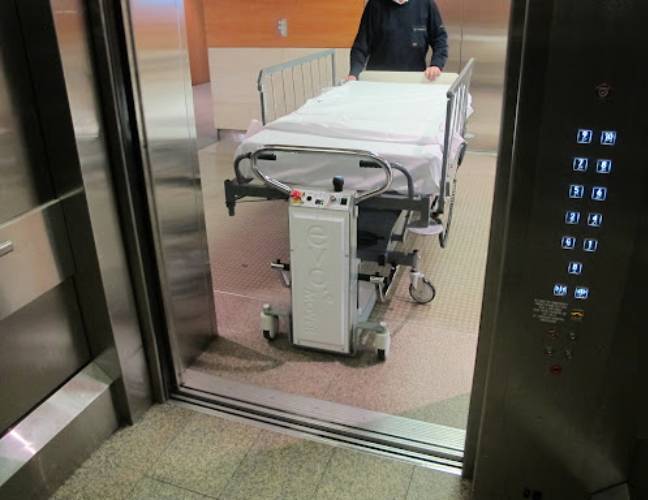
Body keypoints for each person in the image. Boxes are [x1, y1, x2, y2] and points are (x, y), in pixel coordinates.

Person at [347, 0, 449, 82]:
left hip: (414, 80)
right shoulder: (374, 4)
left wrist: (436, 64)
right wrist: (354, 74)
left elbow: (439, 38)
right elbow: (361, 45)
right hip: (378, 80)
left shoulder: (426, 3)